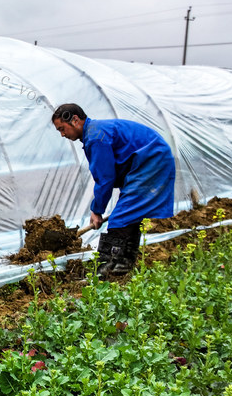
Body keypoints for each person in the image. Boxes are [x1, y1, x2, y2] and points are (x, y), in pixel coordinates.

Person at [52, 103, 176, 277]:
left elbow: (105, 178)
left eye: (62, 129)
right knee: (129, 216)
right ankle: (122, 267)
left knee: (120, 217)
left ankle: (106, 270)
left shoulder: (96, 137)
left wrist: (97, 210)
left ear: (75, 120)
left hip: (151, 160)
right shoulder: (94, 133)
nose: (62, 134)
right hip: (149, 160)